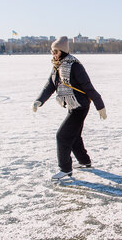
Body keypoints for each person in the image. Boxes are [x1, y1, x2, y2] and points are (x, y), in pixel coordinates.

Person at [32, 36, 107, 180]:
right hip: (72, 105)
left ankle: (65, 169)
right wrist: (39, 101)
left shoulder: (75, 66)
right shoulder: (57, 66)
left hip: (80, 106)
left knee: (62, 136)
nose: (53, 54)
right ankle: (84, 161)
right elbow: (50, 85)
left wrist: (100, 106)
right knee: (74, 136)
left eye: (55, 51)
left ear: (63, 51)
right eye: (51, 51)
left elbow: (88, 87)